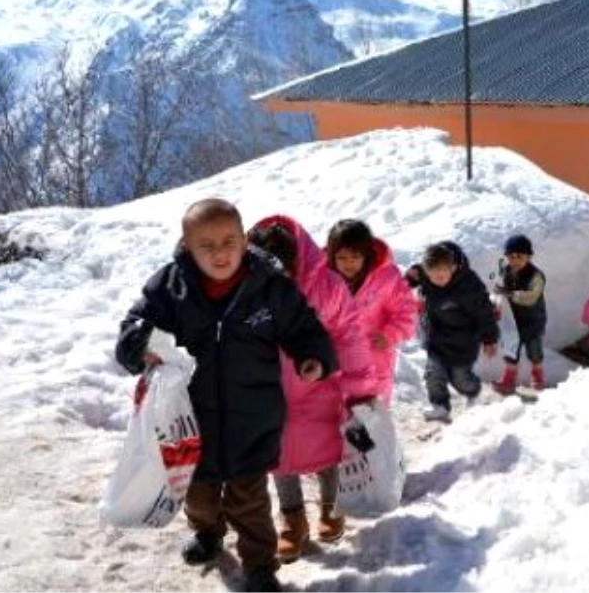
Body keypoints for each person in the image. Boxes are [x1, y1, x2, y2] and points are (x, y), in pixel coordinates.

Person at [115, 199, 336, 593]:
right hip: (190, 419)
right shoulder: (170, 286)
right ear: (187, 245)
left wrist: (313, 356)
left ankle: (260, 567)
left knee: (249, 502)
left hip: (253, 417)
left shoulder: (270, 286)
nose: (221, 253)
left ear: (244, 238)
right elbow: (137, 322)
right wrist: (137, 344)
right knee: (198, 495)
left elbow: (305, 328)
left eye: (229, 241)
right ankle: (208, 532)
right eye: (207, 245)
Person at [246, 216, 378, 564]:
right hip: (270, 393)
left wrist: (361, 388)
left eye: (284, 270)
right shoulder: (247, 288)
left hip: (320, 388)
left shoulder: (327, 285)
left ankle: (332, 508)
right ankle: (292, 519)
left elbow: (349, 334)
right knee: (279, 457)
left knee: (328, 454)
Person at [325, 219, 419, 405]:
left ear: (367, 255)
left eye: (355, 257)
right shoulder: (323, 278)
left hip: (374, 356)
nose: (348, 264)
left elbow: (406, 311)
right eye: (342, 258)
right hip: (336, 358)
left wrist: (390, 334)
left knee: (372, 416)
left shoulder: (386, 276)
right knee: (335, 413)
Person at [418, 241, 500, 422]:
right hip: (436, 338)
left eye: (442, 275)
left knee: (459, 378)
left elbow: (484, 313)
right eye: (433, 276)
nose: (438, 280)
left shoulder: (469, 286)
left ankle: (473, 392)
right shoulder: (425, 275)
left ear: (453, 267)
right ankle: (439, 405)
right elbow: (412, 277)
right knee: (434, 373)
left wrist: (489, 339)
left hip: (463, 340)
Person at [492, 234, 548, 393]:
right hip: (513, 319)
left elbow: (531, 297)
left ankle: (537, 374)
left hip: (533, 320)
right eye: (511, 256)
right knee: (511, 348)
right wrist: (497, 302)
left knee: (534, 349)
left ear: (529, 256)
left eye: (520, 256)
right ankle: (509, 378)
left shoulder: (536, 276)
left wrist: (510, 294)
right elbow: (498, 286)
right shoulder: (506, 271)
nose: (515, 260)